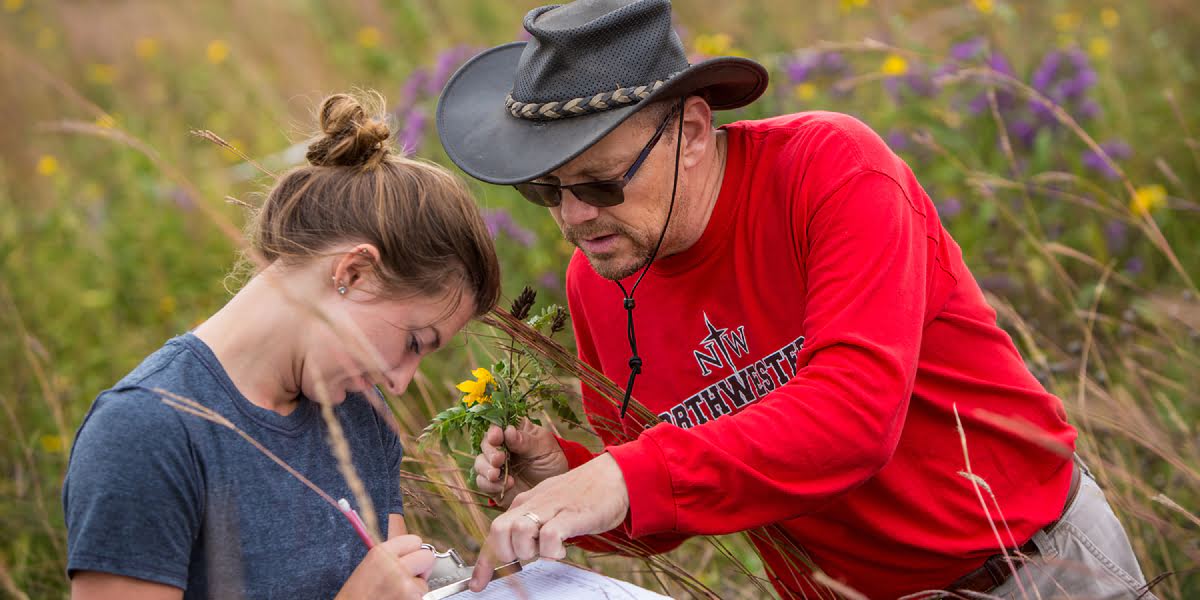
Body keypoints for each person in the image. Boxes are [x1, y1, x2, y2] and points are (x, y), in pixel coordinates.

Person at [435, 1, 1155, 598]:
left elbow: (854, 415)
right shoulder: (599, 280)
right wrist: (570, 478)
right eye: (543, 191)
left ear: (688, 130)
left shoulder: (829, 171)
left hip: (1038, 572)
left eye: (598, 183)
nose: (573, 218)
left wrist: (622, 475)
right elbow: (678, 494)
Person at [63, 91, 501, 600]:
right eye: (413, 342)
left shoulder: (359, 413)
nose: (401, 381)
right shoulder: (146, 432)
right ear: (352, 273)